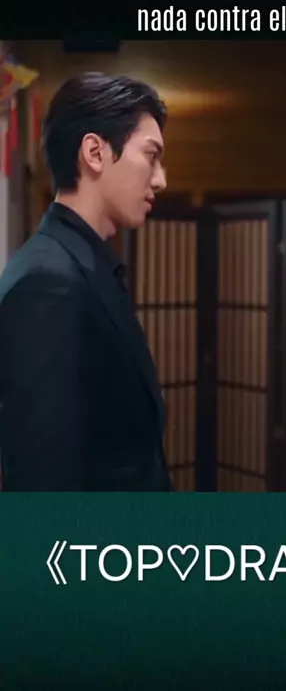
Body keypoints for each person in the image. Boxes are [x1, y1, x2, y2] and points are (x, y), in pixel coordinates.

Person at [0, 71, 173, 491]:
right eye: (151, 156)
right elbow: (45, 484)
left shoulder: (80, 263)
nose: (161, 179)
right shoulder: (48, 282)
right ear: (95, 152)